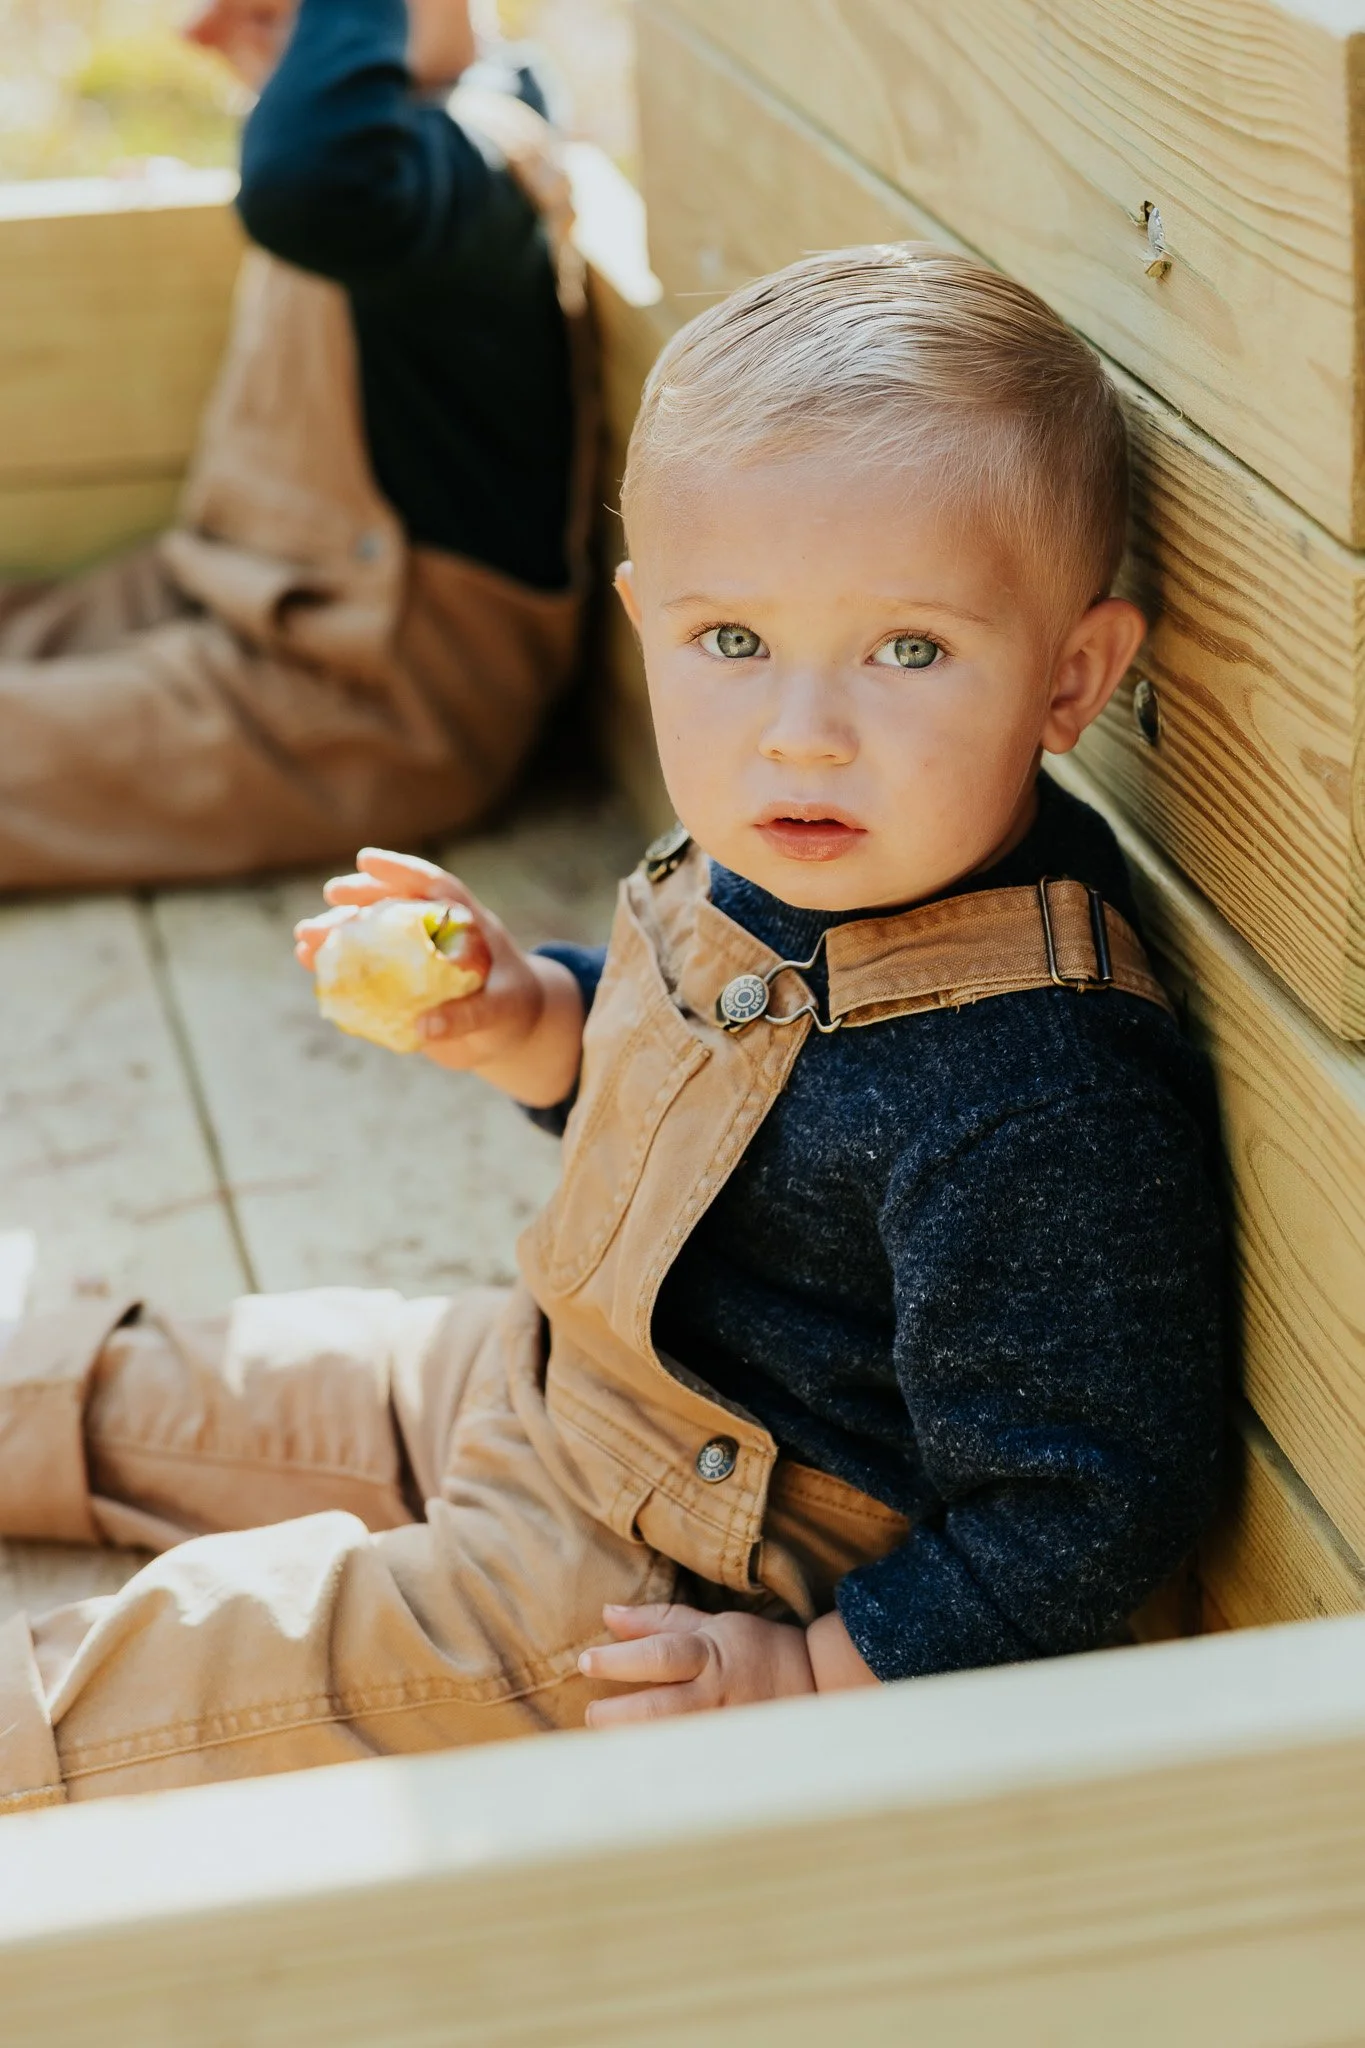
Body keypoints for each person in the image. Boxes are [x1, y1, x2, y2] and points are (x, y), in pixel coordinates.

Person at [0, 247, 1224, 1808]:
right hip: (544, 1373)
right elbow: (701, 1099)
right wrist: (531, 1015)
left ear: (1071, 678)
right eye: (732, 643)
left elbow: (1088, 1503)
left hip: (669, 1581)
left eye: (906, 651)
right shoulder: (803, 835)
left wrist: (812, 1674)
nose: (802, 726)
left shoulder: (1040, 1094)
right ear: (650, 622)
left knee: (227, 1659)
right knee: (202, 1376)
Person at [0, 0, 587, 890]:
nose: (215, 37)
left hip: (365, 703)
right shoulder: (408, 152)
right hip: (229, 590)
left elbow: (307, 183)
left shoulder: (450, 174)